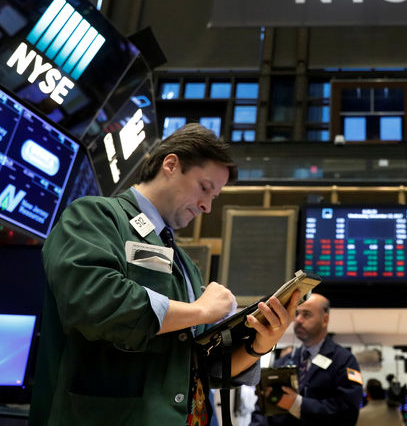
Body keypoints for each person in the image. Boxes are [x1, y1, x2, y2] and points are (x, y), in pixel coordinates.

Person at [30, 123, 301, 426]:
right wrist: (199, 310)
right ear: (171, 164)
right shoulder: (95, 216)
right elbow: (94, 302)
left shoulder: (186, 264)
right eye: (205, 188)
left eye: (215, 196)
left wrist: (260, 343)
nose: (207, 206)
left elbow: (202, 366)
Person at [250, 293, 362, 426]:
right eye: (297, 314)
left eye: (306, 314)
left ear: (325, 320)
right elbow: (262, 409)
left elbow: (348, 414)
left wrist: (296, 404)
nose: (298, 320)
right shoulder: (283, 362)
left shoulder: (344, 360)